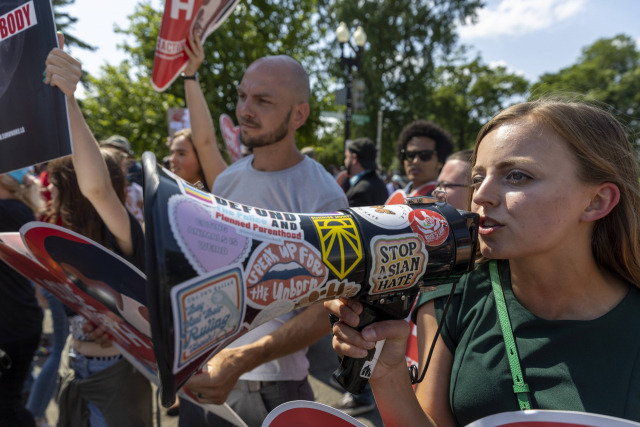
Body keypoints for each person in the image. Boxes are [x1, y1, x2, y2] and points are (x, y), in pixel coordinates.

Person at [325, 98, 640, 426]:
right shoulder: (456, 293)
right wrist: (388, 374)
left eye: (517, 176)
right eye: (478, 178)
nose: (481, 195)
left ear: (597, 201)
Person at [178, 39, 348, 427]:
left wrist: (241, 359)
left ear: (298, 115)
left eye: (263, 101)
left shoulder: (323, 197)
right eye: (241, 96)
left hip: (271, 391)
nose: (244, 110)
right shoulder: (229, 179)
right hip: (202, 376)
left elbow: (329, 311)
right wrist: (190, 74)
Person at [44, 34, 152, 427]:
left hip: (118, 378)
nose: (49, 193)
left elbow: (97, 188)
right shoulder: (59, 240)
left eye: (57, 185)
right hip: (75, 369)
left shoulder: (124, 235)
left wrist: (68, 99)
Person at [0, 168, 44, 427]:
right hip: (22, 321)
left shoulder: (6, 212)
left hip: (11, 326)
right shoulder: (21, 210)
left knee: (6, 406)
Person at [386, 120, 454, 204]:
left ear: (440, 161)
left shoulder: (443, 200)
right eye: (410, 155)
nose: (415, 161)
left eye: (425, 155)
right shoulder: (396, 196)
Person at [341, 138, 389, 208]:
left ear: (354, 159)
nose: (345, 161)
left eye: (347, 157)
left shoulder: (359, 192)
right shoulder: (381, 184)